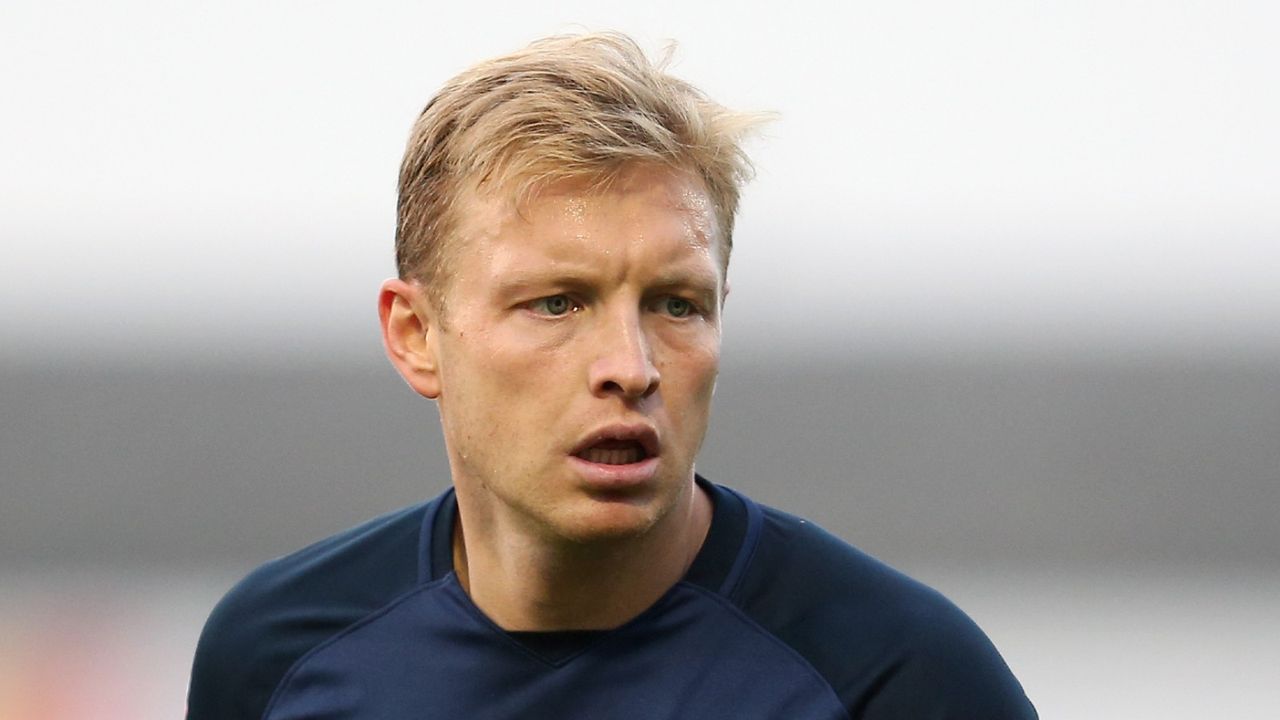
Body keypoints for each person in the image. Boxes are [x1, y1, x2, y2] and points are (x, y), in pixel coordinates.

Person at [187, 31, 1036, 719]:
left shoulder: (895, 678)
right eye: (557, 304)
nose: (630, 369)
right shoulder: (276, 657)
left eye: (676, 305)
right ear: (416, 335)